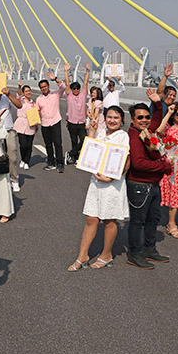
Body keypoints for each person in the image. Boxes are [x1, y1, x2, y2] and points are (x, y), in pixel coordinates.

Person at [68, 105, 130, 271]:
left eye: (116, 118)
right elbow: (89, 152)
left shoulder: (123, 136)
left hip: (112, 184)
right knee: (91, 219)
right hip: (96, 181)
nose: (112, 120)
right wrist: (93, 131)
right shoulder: (101, 132)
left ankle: (106, 254)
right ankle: (83, 255)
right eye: (109, 117)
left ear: (122, 120)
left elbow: (126, 161)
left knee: (109, 220)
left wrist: (110, 177)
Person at [125, 91, 171, 269]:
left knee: (153, 219)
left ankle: (149, 249)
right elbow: (138, 164)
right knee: (138, 221)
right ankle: (135, 253)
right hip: (139, 186)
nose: (144, 120)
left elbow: (156, 121)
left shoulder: (146, 132)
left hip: (153, 184)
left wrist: (158, 104)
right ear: (132, 120)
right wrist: (163, 167)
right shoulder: (134, 136)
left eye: (146, 117)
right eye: (140, 117)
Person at [155, 101, 178, 239]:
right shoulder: (168, 127)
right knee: (171, 192)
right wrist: (168, 112)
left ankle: (171, 223)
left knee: (176, 193)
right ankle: (171, 224)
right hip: (170, 164)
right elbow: (159, 131)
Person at [0, 86, 20, 191]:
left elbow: (19, 105)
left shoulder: (6, 98)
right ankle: (0, 180)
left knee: (12, 156)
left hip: (8, 131)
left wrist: (8, 94)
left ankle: (14, 179)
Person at [36, 71, 66, 173]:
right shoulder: (39, 99)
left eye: (45, 86)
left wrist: (55, 79)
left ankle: (60, 163)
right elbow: (36, 112)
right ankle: (51, 162)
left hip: (55, 122)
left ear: (48, 86)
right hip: (45, 124)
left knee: (58, 144)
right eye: (42, 87)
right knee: (48, 144)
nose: (44, 88)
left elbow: (63, 87)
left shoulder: (56, 94)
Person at [64, 62, 88, 165]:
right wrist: (66, 71)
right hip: (72, 122)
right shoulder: (69, 96)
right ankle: (76, 158)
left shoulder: (83, 95)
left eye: (78, 88)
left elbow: (85, 83)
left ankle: (70, 153)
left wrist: (87, 71)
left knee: (84, 141)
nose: (76, 90)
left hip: (81, 122)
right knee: (74, 141)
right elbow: (67, 84)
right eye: (74, 89)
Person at [11, 83, 37, 170]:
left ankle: (26, 161)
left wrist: (36, 125)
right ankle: (23, 159)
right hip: (21, 124)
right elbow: (18, 95)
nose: (28, 92)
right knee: (23, 145)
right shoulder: (20, 100)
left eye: (29, 90)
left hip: (31, 125)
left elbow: (36, 115)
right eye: (26, 91)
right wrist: (19, 87)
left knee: (29, 145)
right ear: (23, 93)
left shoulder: (33, 103)